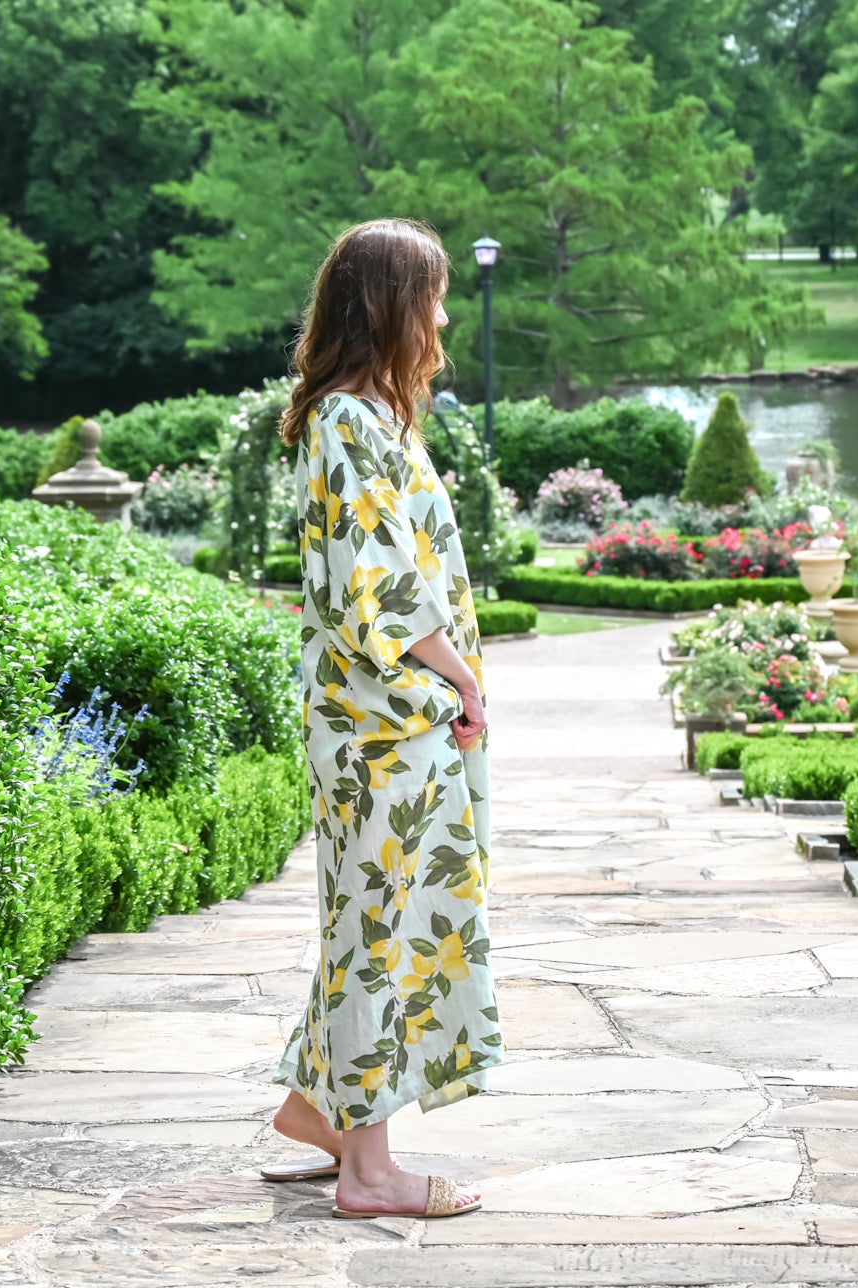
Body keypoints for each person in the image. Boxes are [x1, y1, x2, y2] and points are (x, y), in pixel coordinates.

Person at [263, 219, 500, 1220]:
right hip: (386, 720)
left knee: (369, 923)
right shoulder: (352, 423)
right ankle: (367, 1170)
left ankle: (319, 1111)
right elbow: (379, 583)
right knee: (379, 935)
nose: (443, 316)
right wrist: (462, 681)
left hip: (384, 717)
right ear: (390, 306)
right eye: (431, 296)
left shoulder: (363, 417)